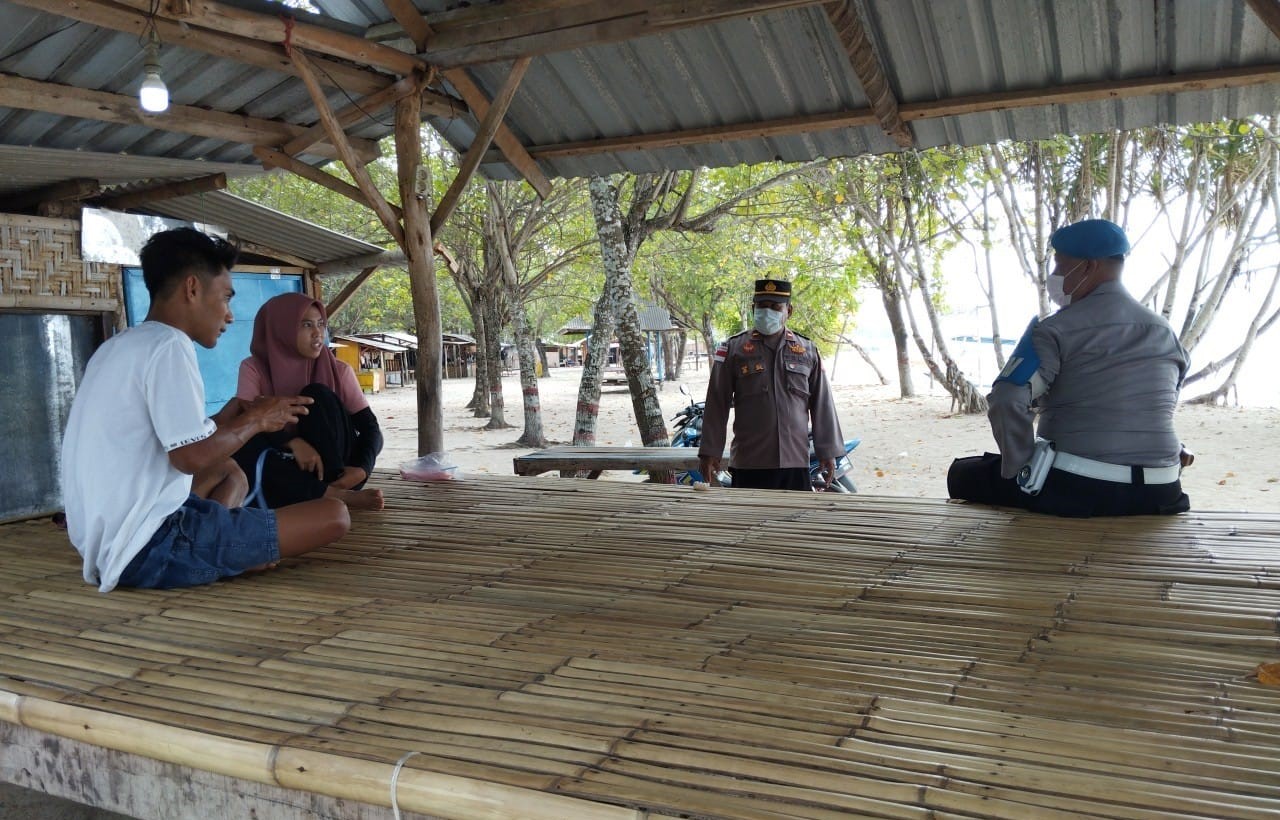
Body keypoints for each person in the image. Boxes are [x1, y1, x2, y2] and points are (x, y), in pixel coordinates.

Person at [60, 228, 352, 593]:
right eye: (226, 298)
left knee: (231, 471)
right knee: (334, 516)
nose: (229, 316)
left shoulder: (120, 346)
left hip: (105, 547)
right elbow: (190, 457)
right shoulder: (170, 346)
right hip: (152, 548)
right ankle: (224, 553)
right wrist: (257, 420)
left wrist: (226, 419)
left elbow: (171, 445)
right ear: (193, 289)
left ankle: (228, 549)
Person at [947, 218, 1192, 517]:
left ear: (1088, 267)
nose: (1055, 276)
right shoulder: (1164, 331)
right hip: (1163, 490)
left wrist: (1022, 468)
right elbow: (1156, 401)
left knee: (962, 473)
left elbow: (1007, 399)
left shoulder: (1055, 330)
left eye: (1060, 266)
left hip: (1081, 490)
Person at [232, 293, 384, 511]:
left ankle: (332, 490)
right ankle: (331, 496)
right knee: (244, 441)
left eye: (321, 324)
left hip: (337, 472)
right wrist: (291, 442)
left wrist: (362, 469)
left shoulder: (339, 370)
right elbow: (246, 422)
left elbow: (371, 430)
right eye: (306, 325)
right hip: (288, 466)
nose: (318, 333)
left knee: (316, 394)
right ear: (280, 329)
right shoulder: (254, 368)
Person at [699, 278, 845, 491]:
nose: (768, 312)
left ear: (789, 311)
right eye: (762, 306)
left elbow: (822, 404)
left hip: (795, 462)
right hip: (749, 463)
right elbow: (716, 404)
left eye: (776, 307)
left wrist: (828, 451)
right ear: (753, 308)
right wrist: (710, 452)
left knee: (794, 521)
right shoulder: (733, 349)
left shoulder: (807, 350)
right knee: (748, 522)